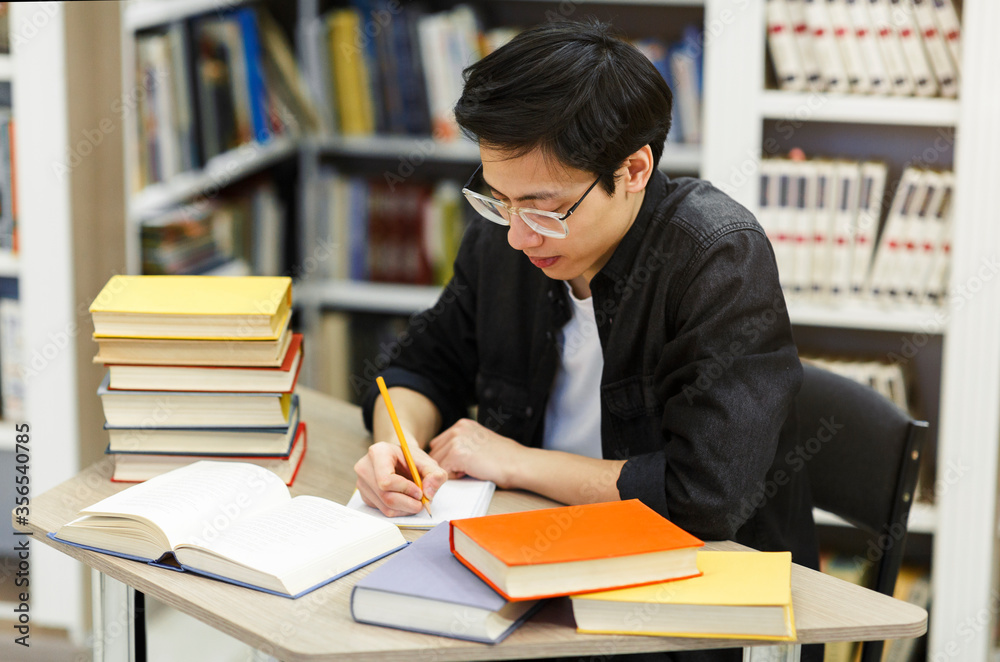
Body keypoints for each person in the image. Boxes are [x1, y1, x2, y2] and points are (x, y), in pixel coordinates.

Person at [353, 19, 819, 662]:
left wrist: (511, 460)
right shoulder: (509, 233)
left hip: (694, 606)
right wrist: (393, 449)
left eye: (544, 210)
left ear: (633, 168)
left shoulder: (717, 257)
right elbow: (420, 367)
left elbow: (703, 497)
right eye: (499, 200)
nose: (518, 235)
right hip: (535, 570)